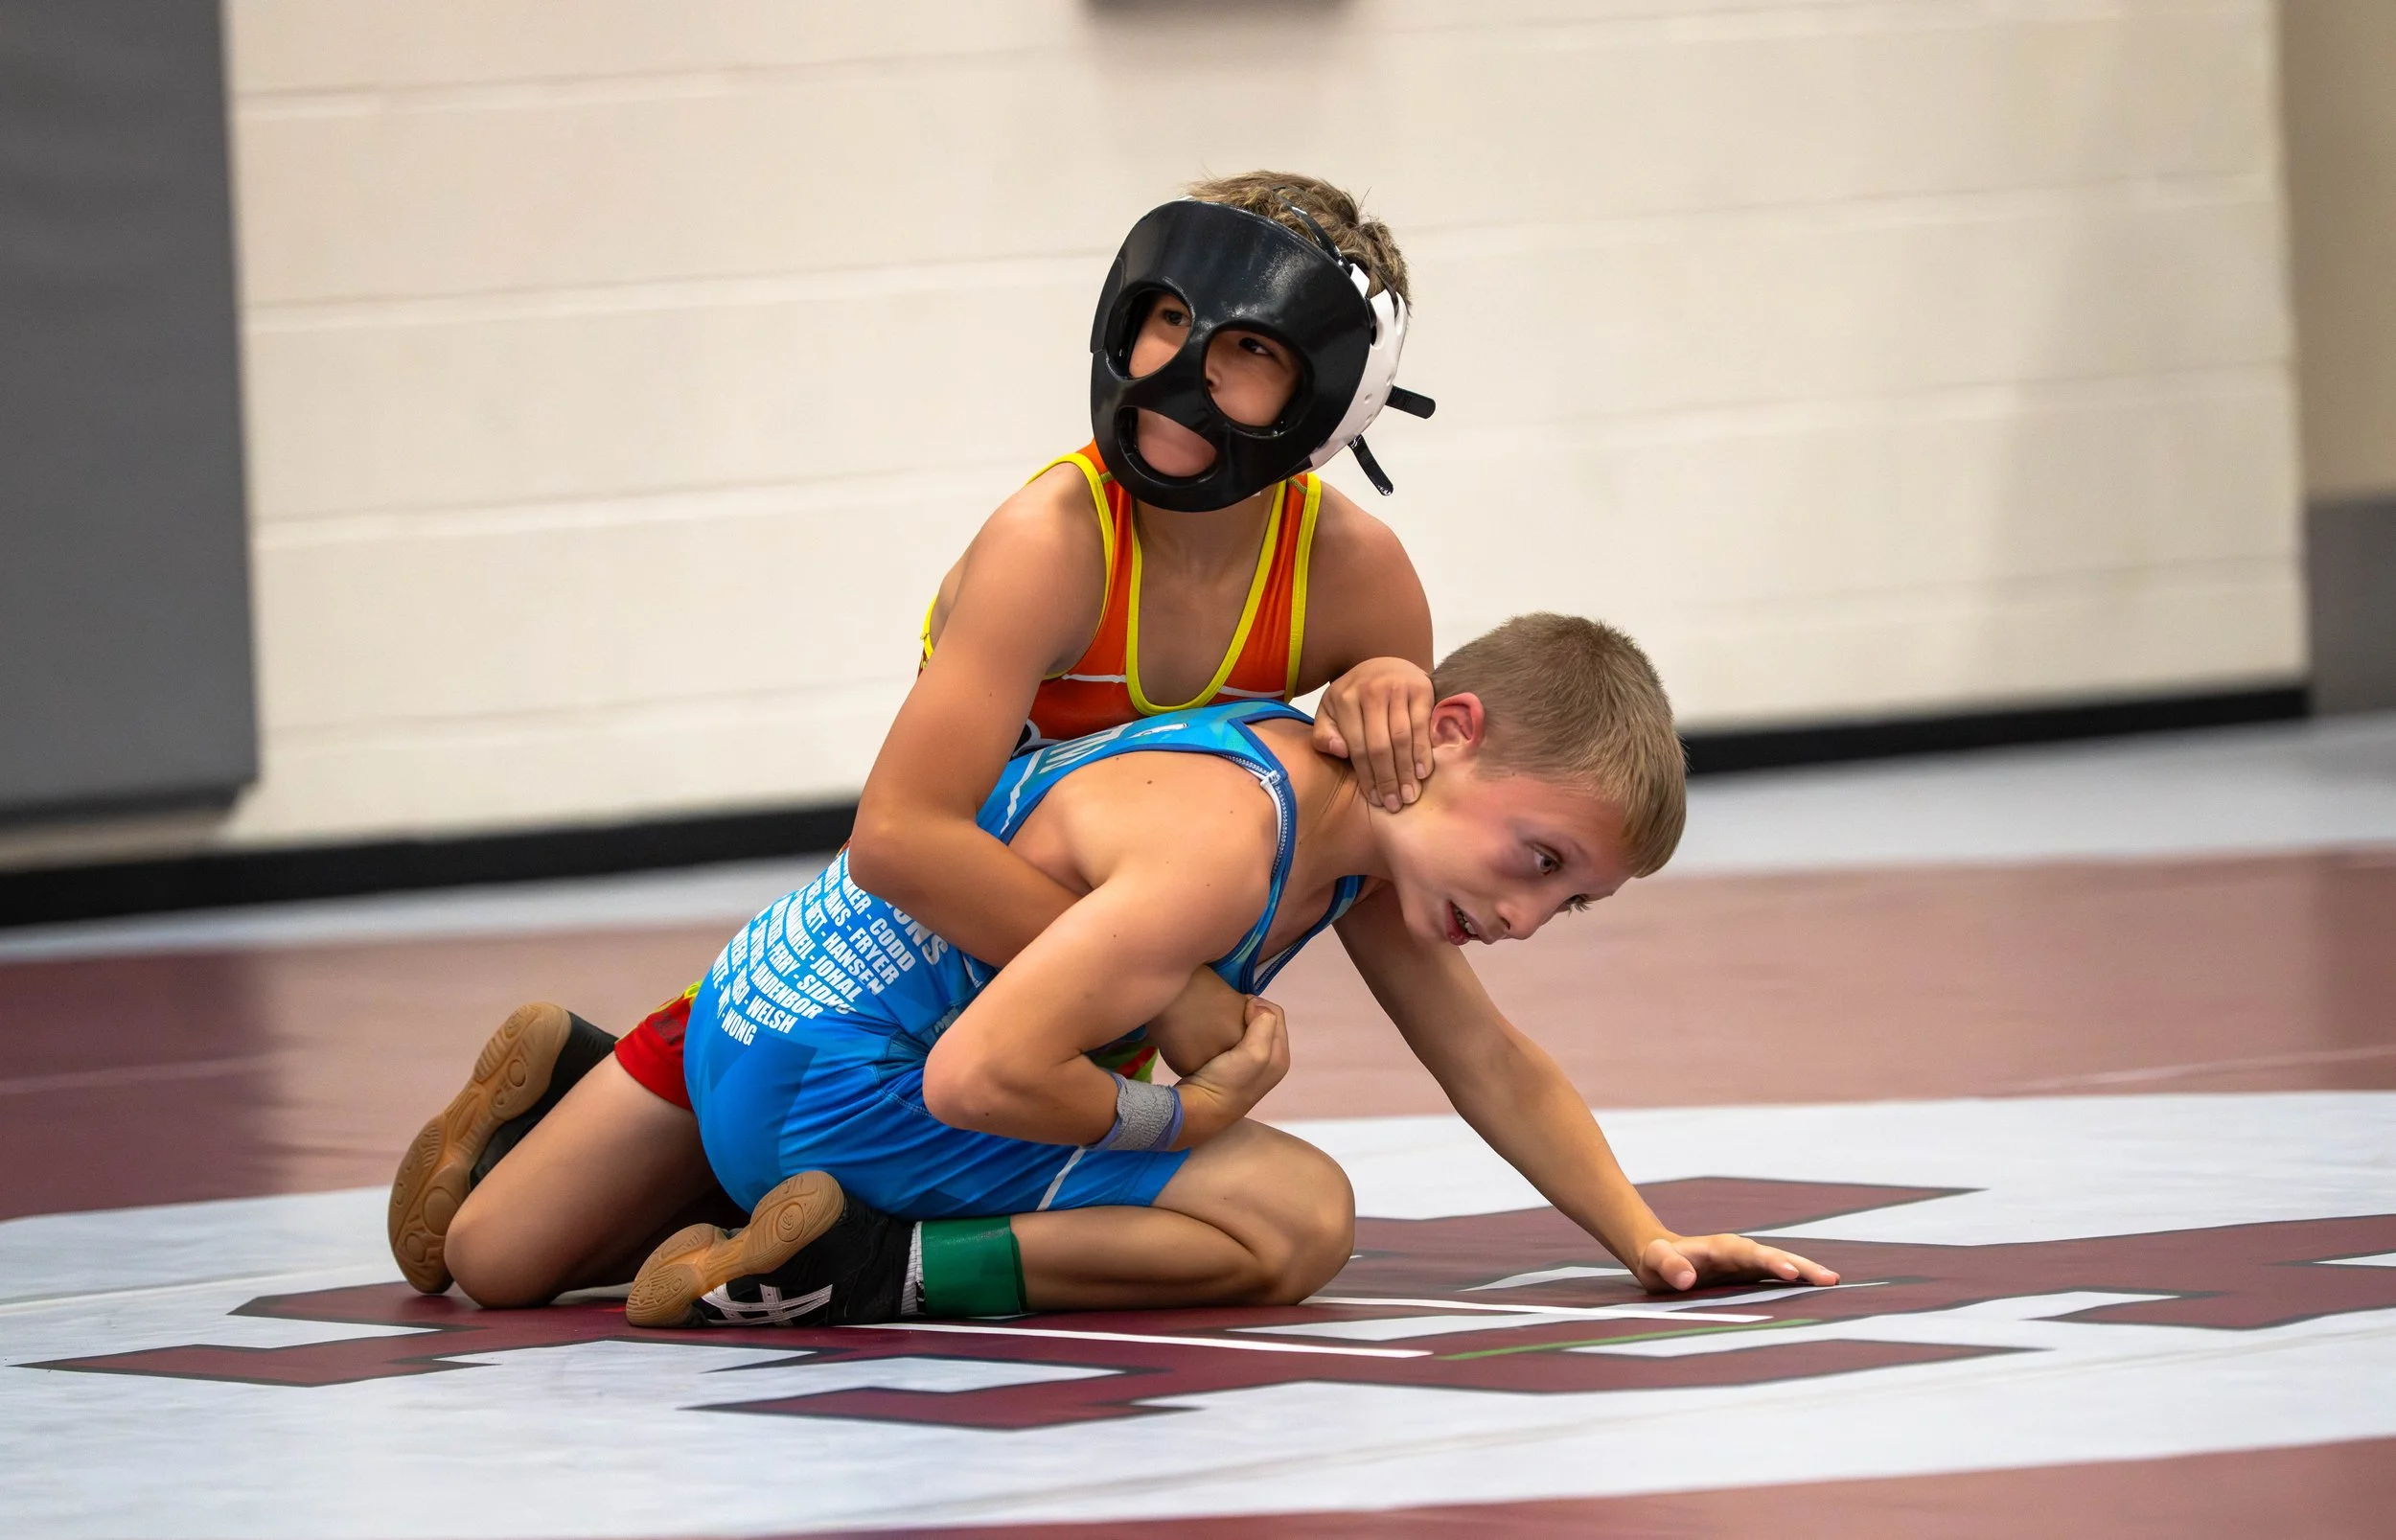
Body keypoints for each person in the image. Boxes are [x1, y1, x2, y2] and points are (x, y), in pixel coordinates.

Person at [389, 172, 1451, 1306]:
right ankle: (613, 1095)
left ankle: (702, 1160)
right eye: (1173, 319)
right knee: (495, 1260)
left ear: (1330, 402)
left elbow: (1397, 892)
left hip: (1044, 1012)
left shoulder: (1356, 581)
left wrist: (1385, 691)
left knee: (526, 1252)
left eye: (1251, 349)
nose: (1189, 369)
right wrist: (1168, 990)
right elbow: (897, 839)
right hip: (879, 974)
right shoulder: (1054, 538)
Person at [627, 614, 1838, 1328]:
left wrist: (1645, 1237)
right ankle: (856, 1266)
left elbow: (1488, 1056)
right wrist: (1181, 1115)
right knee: (1293, 1214)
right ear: (1449, 731)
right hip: (847, 1094)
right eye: (1538, 860)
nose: (1524, 917)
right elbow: (975, 1075)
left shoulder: (1335, 805)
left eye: (1567, 901)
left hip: (743, 1031)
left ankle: (631, 1142)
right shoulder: (1230, 843)